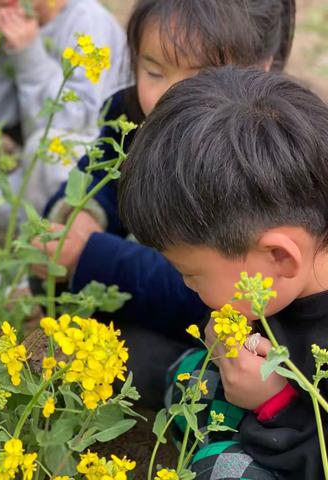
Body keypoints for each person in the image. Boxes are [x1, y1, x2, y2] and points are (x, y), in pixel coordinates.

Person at [33, 0, 296, 408]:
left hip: (223, 324)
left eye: (201, 76)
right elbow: (96, 177)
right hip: (154, 284)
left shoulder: (256, 159)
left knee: (140, 359)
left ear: (261, 67)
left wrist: (91, 256)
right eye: (153, 71)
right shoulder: (132, 113)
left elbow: (214, 293)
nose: (168, 95)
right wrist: (80, 215)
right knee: (52, 277)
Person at [118, 65, 328, 479]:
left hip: (306, 447)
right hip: (276, 413)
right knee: (189, 378)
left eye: (192, 275)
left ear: (280, 258)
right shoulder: (282, 272)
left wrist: (276, 405)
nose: (186, 284)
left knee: (218, 470)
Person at [0, 0, 130, 219]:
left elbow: (75, 119)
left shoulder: (86, 18)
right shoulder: (24, 23)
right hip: (45, 151)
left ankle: (72, 237)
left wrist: (29, 54)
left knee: (44, 150)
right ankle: (48, 231)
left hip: (96, 157)